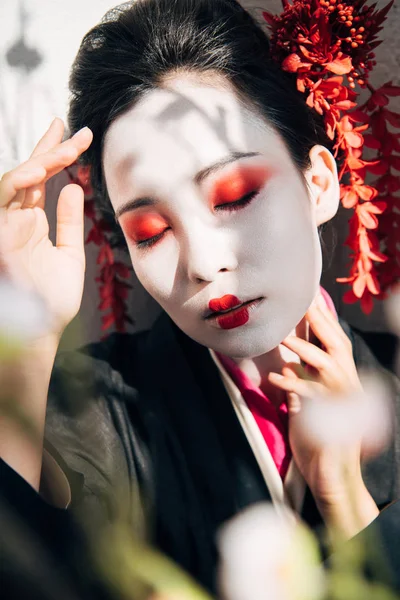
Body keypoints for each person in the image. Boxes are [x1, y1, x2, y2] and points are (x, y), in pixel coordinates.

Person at [1, 0, 399, 596]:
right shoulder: (97, 407)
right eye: (151, 232)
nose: (205, 263)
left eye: (235, 195)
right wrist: (23, 344)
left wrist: (344, 494)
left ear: (318, 183)